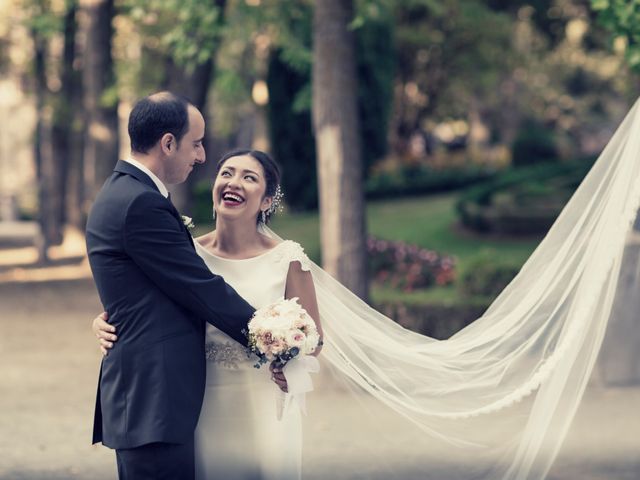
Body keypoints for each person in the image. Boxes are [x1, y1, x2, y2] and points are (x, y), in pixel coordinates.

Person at [93, 99, 640, 480]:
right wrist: (107, 319)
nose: (224, 175)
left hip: (259, 403)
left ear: (268, 200)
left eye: (248, 177)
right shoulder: (184, 240)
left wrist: (285, 346)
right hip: (198, 403)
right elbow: (168, 287)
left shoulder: (288, 259)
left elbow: (311, 337)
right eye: (220, 166)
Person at [85, 93, 280, 480]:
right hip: (154, 401)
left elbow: (146, 288)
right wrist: (273, 338)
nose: (203, 156)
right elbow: (199, 287)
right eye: (196, 143)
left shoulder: (125, 193)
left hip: (152, 400)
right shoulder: (140, 202)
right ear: (168, 143)